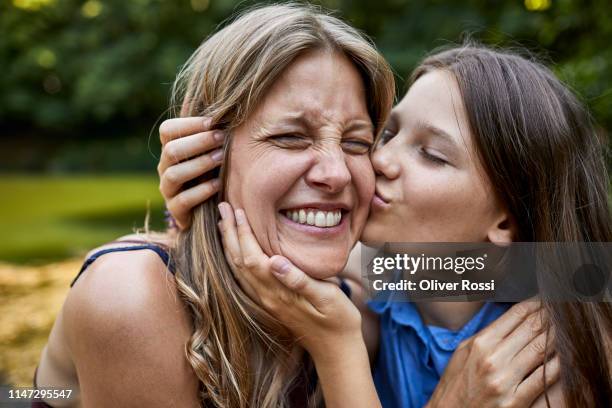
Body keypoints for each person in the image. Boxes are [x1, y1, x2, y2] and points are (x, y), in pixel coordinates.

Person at [159, 44, 612, 406]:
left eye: (432, 155)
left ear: (505, 220)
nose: (379, 160)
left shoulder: (546, 362)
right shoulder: (394, 281)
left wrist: (337, 345)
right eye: (388, 135)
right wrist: (205, 202)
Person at [33, 4, 394, 407]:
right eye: (291, 136)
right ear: (206, 155)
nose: (338, 173)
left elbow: (476, 272)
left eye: (356, 143)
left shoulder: (356, 298)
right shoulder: (132, 295)